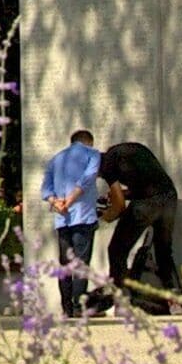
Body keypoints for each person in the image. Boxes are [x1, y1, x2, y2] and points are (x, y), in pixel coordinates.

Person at [96, 138, 182, 316]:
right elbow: (146, 184)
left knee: (117, 250)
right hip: (169, 197)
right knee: (163, 251)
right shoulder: (125, 151)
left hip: (146, 204)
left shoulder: (106, 165)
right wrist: (124, 194)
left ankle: (121, 301)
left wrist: (105, 217)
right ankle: (175, 302)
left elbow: (119, 206)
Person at [36, 128, 105, 317]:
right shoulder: (92, 154)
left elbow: (45, 189)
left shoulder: (56, 159)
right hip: (83, 215)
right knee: (81, 263)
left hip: (62, 218)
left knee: (65, 264)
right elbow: (87, 179)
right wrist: (70, 200)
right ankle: (78, 306)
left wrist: (56, 202)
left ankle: (66, 309)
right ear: (89, 141)